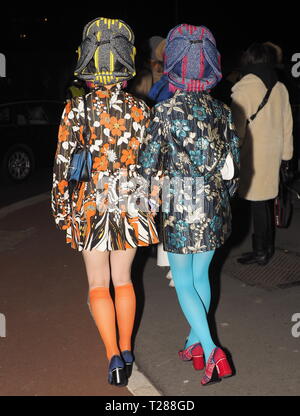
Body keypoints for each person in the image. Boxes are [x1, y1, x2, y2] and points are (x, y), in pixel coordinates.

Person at [51, 17, 158, 387]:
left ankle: (113, 357)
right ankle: (127, 348)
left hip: (92, 204)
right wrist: (152, 202)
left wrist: (63, 213)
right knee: (124, 279)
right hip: (131, 199)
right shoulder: (142, 109)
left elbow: (63, 169)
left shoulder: (74, 110)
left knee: (98, 285)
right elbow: (153, 164)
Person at [138, 24, 240, 386]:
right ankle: (194, 343)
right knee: (201, 277)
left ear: (174, 66)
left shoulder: (163, 112)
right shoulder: (224, 111)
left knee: (183, 282)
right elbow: (234, 171)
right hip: (213, 204)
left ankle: (213, 351)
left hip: (181, 203)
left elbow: (147, 167)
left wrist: (145, 204)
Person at [231, 43, 293, 265]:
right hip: (273, 153)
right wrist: (286, 157)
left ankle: (261, 252)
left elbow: (237, 128)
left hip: (252, 154)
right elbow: (288, 124)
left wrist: (231, 151)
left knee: (257, 203)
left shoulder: (243, 88)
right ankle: (265, 248)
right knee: (264, 202)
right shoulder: (280, 87)